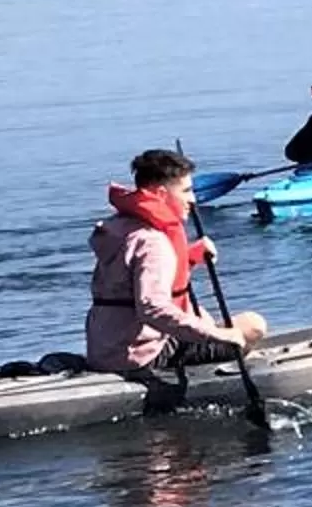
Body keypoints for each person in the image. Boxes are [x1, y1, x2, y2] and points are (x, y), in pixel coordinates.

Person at [85, 149, 270, 379]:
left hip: (106, 349)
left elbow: (126, 282)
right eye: (186, 191)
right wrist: (218, 335)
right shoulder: (153, 242)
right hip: (142, 356)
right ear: (161, 194)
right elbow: (153, 309)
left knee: (204, 317)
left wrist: (190, 256)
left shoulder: (124, 228)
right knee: (253, 325)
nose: (192, 199)